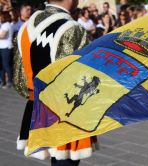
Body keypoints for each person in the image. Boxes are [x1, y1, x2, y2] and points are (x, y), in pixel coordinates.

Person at [14, 0, 97, 165]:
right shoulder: (72, 28)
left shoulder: (26, 27)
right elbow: (82, 75)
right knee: (65, 162)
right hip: (65, 113)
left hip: (35, 106)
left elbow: (19, 81)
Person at [0, 11, 13, 88]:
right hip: (1, 47)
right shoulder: (2, 25)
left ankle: (9, 81)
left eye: (0, 16)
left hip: (6, 47)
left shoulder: (7, 25)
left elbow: (2, 36)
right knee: (1, 65)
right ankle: (2, 81)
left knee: (6, 65)